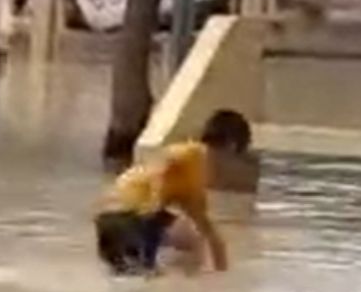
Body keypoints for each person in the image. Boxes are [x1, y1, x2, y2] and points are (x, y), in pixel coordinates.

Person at [94, 109, 251, 276]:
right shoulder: (194, 154)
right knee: (144, 274)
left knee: (188, 245)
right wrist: (153, 200)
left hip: (111, 213)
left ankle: (187, 288)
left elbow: (206, 228)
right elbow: (165, 165)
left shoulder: (192, 179)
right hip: (129, 214)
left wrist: (222, 271)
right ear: (231, 146)